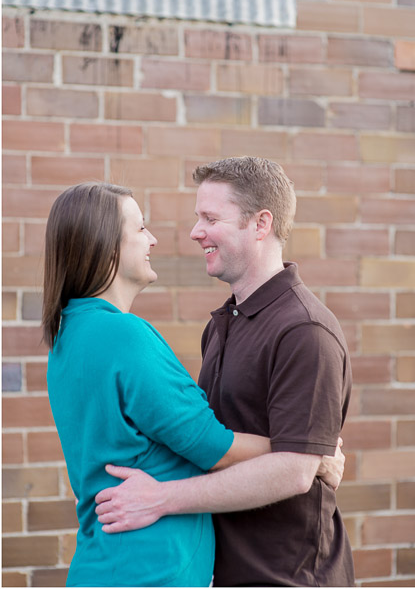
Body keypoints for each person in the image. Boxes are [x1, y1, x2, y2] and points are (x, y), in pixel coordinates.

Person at [42, 182, 339, 587]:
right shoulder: (123, 337)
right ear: (107, 247)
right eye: (141, 228)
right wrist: (312, 455)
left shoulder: (69, 336)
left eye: (210, 219)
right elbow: (209, 445)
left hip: (111, 558)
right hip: (149, 567)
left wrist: (304, 454)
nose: (154, 239)